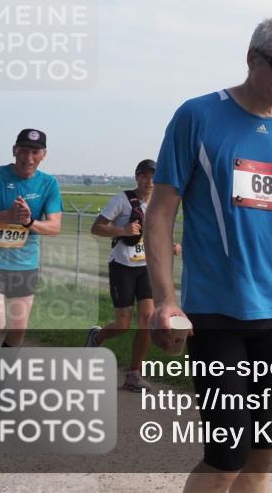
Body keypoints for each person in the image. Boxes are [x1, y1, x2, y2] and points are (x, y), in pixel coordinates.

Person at [146, 17, 272, 492]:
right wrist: (165, 300)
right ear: (252, 57)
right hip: (216, 312)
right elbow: (161, 213)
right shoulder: (198, 116)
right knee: (226, 457)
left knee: (261, 455)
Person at [0, 128, 63, 412]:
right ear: (14, 151)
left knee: (18, 328)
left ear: (43, 155)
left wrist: (29, 222)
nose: (28, 157)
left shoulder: (48, 184)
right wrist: (5, 216)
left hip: (25, 262)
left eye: (34, 152)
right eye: (23, 150)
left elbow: (54, 226)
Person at [85, 159, 181, 391]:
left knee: (147, 322)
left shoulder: (160, 204)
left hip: (146, 268)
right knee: (123, 325)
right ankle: (96, 338)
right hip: (122, 266)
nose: (149, 181)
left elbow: (157, 236)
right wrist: (122, 230)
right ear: (137, 177)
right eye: (144, 175)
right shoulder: (122, 200)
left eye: (153, 176)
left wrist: (172, 245)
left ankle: (133, 374)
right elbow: (96, 228)